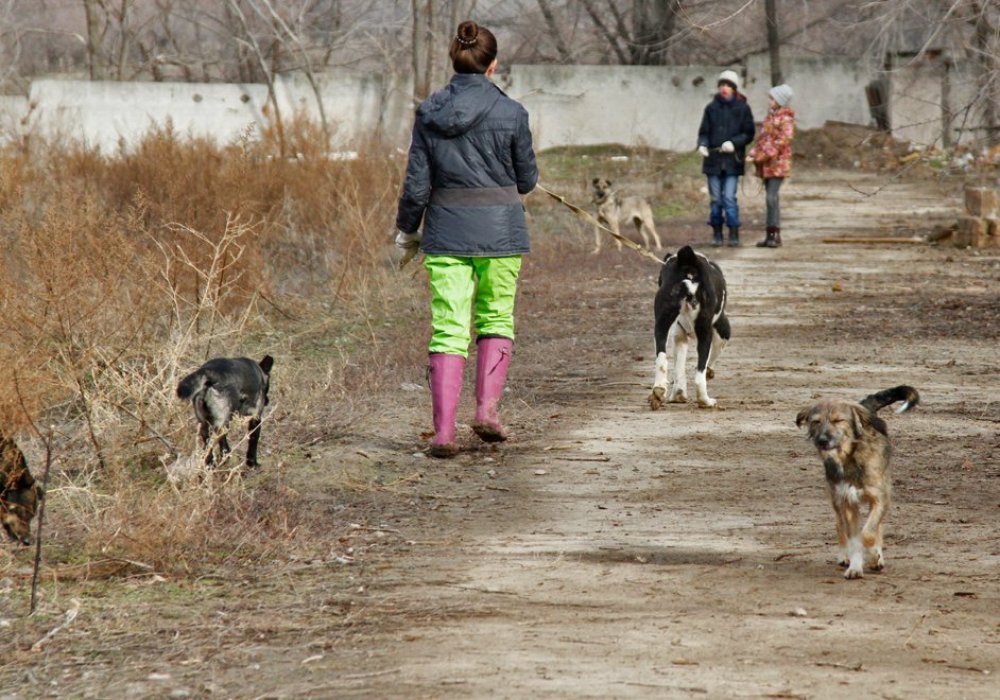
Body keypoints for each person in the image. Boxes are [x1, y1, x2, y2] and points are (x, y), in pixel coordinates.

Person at [394, 20, 538, 459]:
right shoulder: (512, 113)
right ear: (493, 65)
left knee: (448, 329)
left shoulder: (429, 112)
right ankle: (488, 413)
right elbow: (527, 180)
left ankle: (442, 434)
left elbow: (417, 185)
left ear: (454, 61)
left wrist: (406, 231)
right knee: (496, 318)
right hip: (501, 234)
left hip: (446, 234)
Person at [697, 69, 755, 247]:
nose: (724, 88)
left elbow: (749, 133)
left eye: (728, 86)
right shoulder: (711, 108)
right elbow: (704, 132)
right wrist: (702, 144)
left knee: (729, 198)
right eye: (722, 85)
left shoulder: (742, 108)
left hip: (732, 162)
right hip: (713, 161)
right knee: (716, 199)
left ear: (734, 88)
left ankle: (733, 232)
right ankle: (716, 233)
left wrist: (734, 143)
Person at [748, 84, 795, 248]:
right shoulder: (770, 118)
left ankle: (774, 233)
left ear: (780, 101)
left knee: (771, 198)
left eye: (772, 98)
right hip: (767, 165)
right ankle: (771, 234)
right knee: (771, 199)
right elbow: (762, 140)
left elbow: (781, 142)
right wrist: (753, 154)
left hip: (778, 165)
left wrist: (761, 155)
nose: (769, 101)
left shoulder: (785, 119)